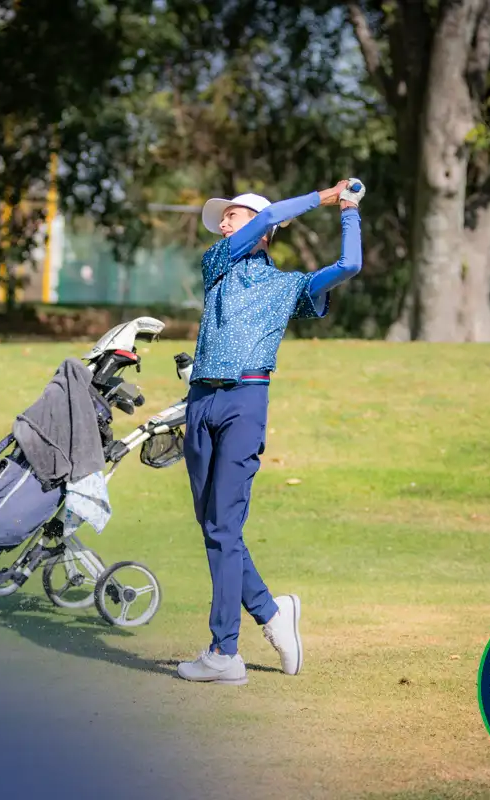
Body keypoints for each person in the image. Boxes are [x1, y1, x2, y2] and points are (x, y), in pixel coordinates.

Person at [176, 179, 365, 686]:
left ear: (263, 231)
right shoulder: (218, 264)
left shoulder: (290, 288)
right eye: (223, 217)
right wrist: (321, 199)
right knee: (215, 526)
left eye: (232, 215)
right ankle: (271, 613)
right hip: (201, 400)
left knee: (223, 527)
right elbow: (263, 219)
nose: (223, 223)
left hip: (245, 402)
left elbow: (349, 266)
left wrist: (345, 208)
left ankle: (225, 652)